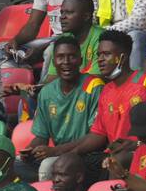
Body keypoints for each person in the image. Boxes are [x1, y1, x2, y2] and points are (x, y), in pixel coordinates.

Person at [19, 35, 102, 179]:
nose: (66, 62)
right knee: (14, 165)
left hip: (84, 155)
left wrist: (55, 151)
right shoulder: (46, 92)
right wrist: (31, 151)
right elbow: (41, 136)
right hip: (58, 154)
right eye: (60, 57)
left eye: (72, 57)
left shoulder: (94, 86)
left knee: (47, 166)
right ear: (53, 61)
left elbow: (95, 137)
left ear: (80, 61)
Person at [81, 29, 146, 150]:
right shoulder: (106, 90)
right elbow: (99, 133)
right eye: (99, 55)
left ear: (122, 57)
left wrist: (137, 145)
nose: (100, 59)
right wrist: (69, 152)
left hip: (141, 153)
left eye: (106, 54)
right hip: (112, 155)